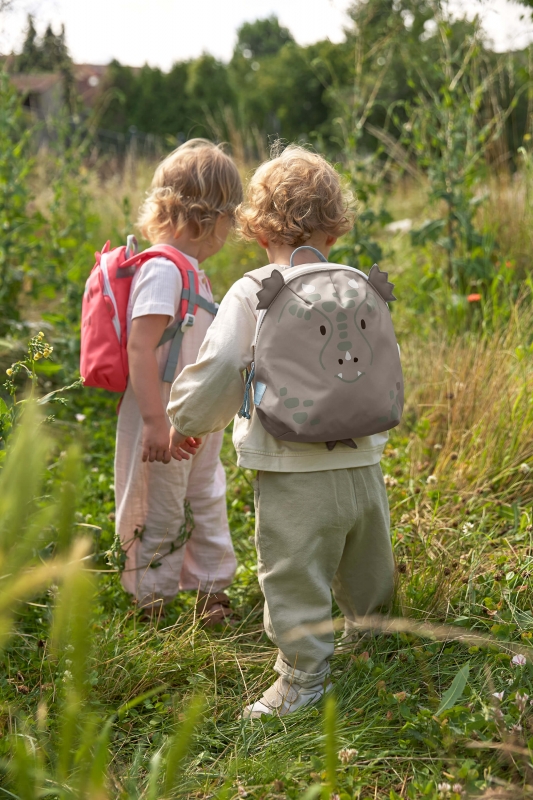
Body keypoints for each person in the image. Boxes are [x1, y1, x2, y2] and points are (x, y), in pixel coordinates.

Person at [166, 145, 395, 716]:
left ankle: (302, 680)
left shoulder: (255, 288)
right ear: (336, 223)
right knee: (368, 560)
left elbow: (221, 367)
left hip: (291, 465)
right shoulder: (355, 281)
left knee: (294, 571)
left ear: (256, 223)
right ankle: (371, 639)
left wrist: (188, 420)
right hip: (365, 460)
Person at [115, 139, 242, 624]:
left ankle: (212, 593)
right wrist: (152, 421)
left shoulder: (194, 273)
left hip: (195, 422)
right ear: (206, 217)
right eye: (229, 217)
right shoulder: (163, 270)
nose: (230, 230)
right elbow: (140, 346)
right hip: (162, 420)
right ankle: (152, 600)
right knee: (162, 508)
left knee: (207, 497)